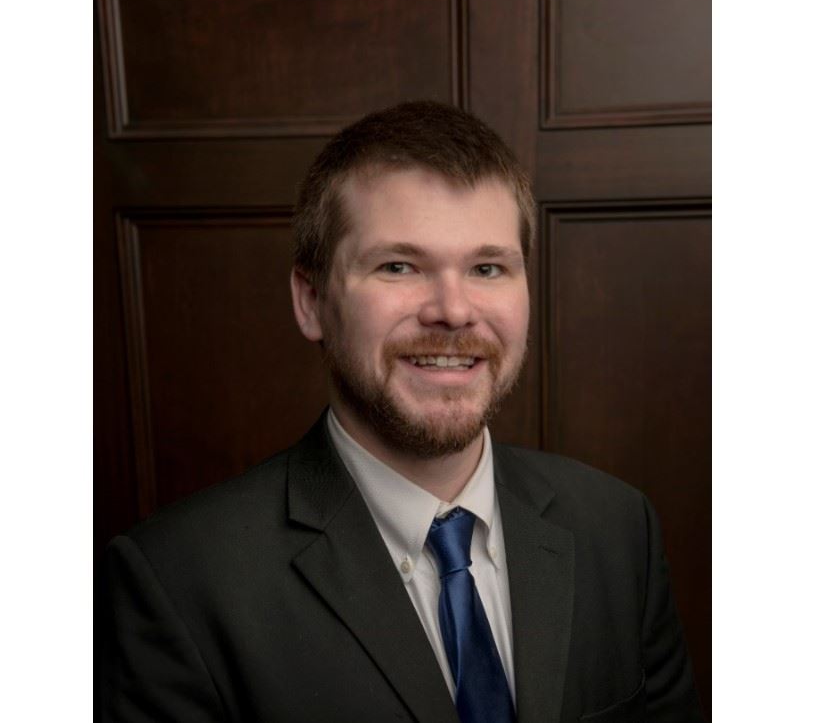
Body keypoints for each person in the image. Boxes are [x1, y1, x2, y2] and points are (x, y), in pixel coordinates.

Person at [100, 101, 704, 722]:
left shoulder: (617, 528)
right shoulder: (178, 583)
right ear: (311, 302)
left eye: (487, 267)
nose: (453, 309)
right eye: (399, 266)